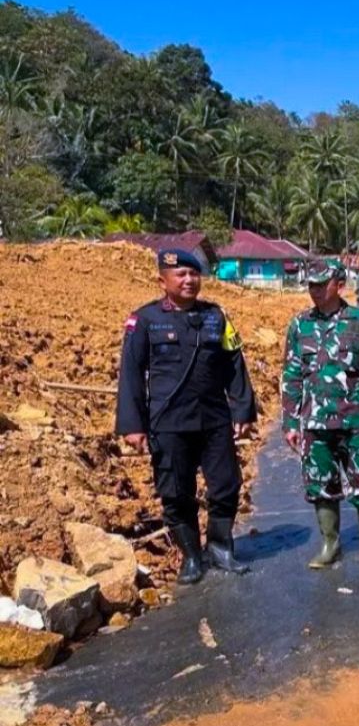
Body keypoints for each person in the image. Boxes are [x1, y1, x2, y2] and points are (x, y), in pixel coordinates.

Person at [116, 249, 257, 585]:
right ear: (162, 280)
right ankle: (192, 556)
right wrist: (132, 424)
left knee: (225, 485)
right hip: (168, 422)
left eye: (194, 274)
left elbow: (234, 363)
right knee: (177, 493)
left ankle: (221, 547)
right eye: (180, 274)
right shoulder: (144, 320)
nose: (189, 280)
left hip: (214, 419)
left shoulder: (216, 317)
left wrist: (242, 409)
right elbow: (131, 375)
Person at [280, 258, 359, 571]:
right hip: (314, 422)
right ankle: (330, 543)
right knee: (320, 483)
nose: (314, 290)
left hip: (355, 420)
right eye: (311, 284)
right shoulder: (300, 325)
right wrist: (290, 421)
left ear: (339, 285)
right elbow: (292, 374)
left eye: (320, 284)